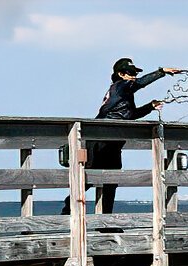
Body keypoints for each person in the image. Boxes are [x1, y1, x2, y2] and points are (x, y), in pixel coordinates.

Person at [66, 58, 180, 216]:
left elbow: (129, 116)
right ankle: (69, 206)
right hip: (101, 140)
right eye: (131, 73)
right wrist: (161, 72)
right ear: (121, 74)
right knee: (89, 180)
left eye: (135, 73)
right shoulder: (120, 86)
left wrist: (150, 106)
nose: (134, 76)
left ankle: (107, 220)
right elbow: (139, 84)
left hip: (113, 142)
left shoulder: (122, 93)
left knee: (111, 181)